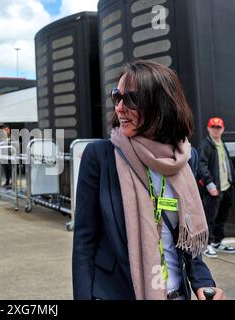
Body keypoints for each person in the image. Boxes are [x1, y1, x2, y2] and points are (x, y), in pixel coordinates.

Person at [72, 60, 225, 300]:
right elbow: (84, 242)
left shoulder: (186, 158)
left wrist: (204, 282)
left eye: (130, 99)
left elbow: (187, 236)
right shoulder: (100, 157)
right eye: (117, 97)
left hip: (176, 294)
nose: (120, 108)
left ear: (161, 104)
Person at [198, 117, 235, 258]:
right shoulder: (206, 146)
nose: (216, 130)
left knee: (221, 217)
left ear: (223, 129)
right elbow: (201, 167)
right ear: (208, 129)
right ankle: (206, 244)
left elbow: (227, 164)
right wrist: (209, 184)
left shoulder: (221, 144)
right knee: (209, 218)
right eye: (213, 127)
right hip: (213, 189)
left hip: (226, 188)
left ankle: (217, 242)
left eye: (218, 127)